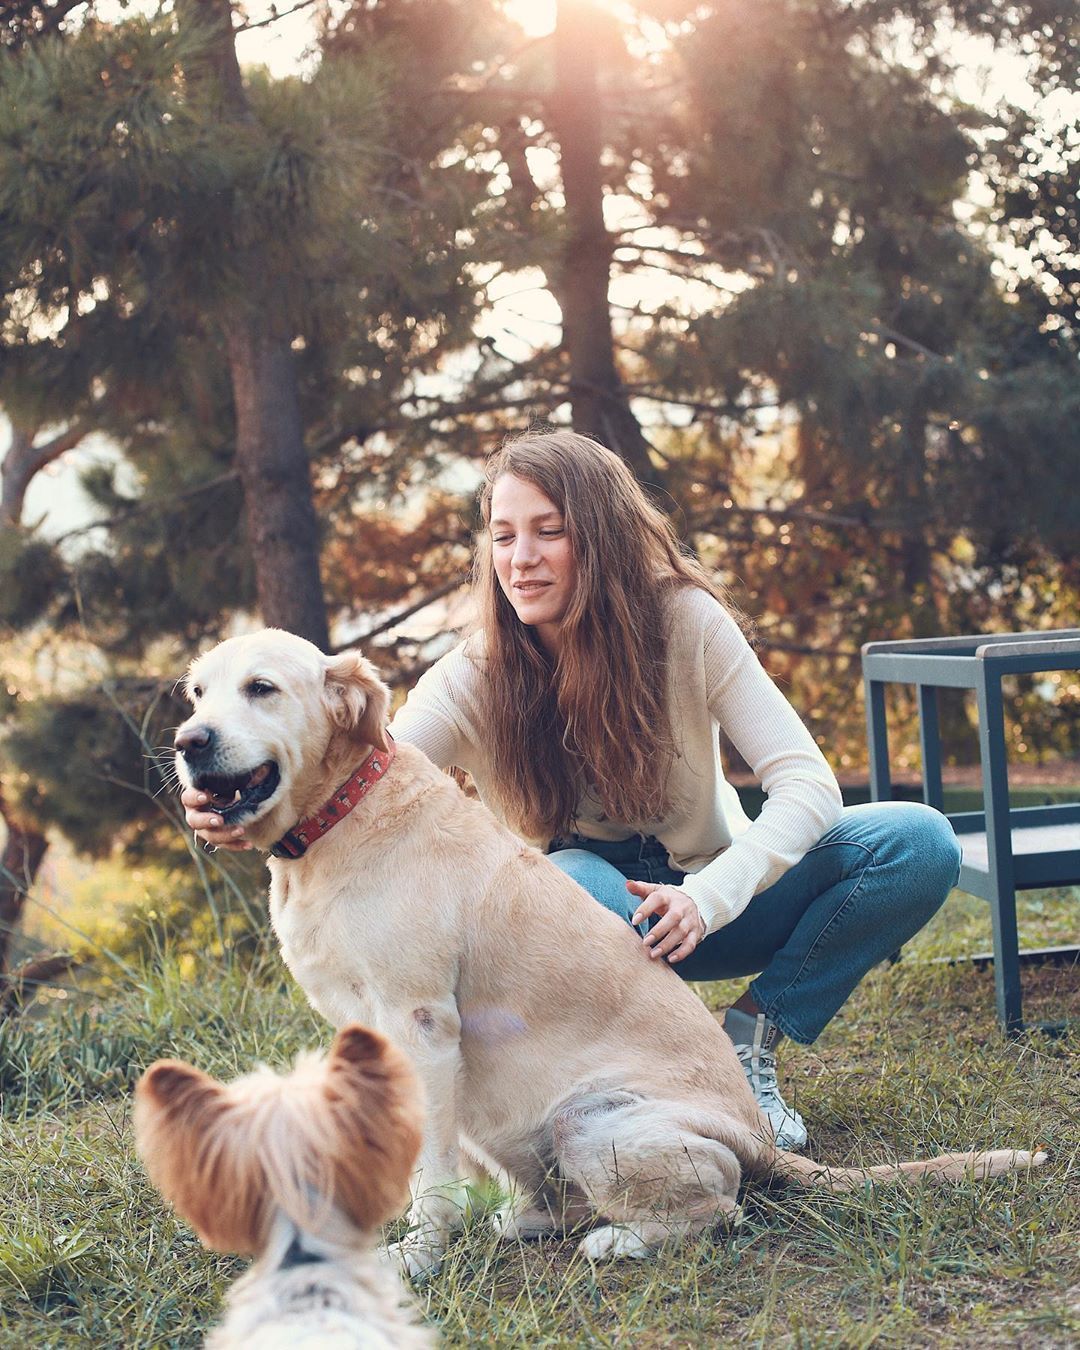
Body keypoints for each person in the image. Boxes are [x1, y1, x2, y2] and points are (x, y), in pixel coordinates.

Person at [183, 430, 962, 1150]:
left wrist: (712, 894)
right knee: (576, 879)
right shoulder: (472, 675)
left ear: (603, 534)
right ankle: (616, 1084)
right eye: (503, 535)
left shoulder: (687, 622)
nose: (521, 558)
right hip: (583, 944)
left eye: (549, 530)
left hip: (709, 905)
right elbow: (364, 776)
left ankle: (748, 1038)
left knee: (915, 842)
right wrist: (245, 798)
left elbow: (806, 782)